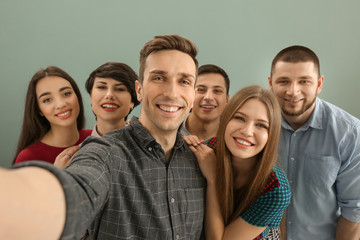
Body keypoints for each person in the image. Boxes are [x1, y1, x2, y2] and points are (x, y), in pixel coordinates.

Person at [0, 34, 206, 240]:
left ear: (193, 95)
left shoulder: (199, 161)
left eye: (184, 81)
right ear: (139, 90)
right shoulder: (104, 152)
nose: (172, 92)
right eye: (158, 78)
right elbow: (75, 191)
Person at [268, 45, 360, 239]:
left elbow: (354, 211)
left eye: (304, 81)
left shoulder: (350, 133)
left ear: (319, 84)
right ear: (270, 83)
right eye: (283, 81)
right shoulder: (257, 125)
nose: (293, 91)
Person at [184, 85, 291, 239]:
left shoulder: (277, 190)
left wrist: (213, 178)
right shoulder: (210, 149)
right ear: (226, 119)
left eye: (261, 125)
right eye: (239, 118)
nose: (247, 131)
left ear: (271, 135)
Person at [54, 62, 140, 168]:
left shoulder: (147, 144)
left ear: (133, 101)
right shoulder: (75, 158)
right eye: (102, 87)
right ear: (91, 97)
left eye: (120, 89)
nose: (109, 95)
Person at [13, 66, 91, 165]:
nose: (61, 104)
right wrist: (58, 173)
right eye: (47, 100)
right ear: (39, 110)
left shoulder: (96, 139)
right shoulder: (28, 158)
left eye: (66, 93)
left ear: (77, 95)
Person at [180, 64, 229, 140]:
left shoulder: (233, 138)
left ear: (227, 99)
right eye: (201, 90)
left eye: (217, 91)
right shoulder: (168, 128)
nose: (208, 97)